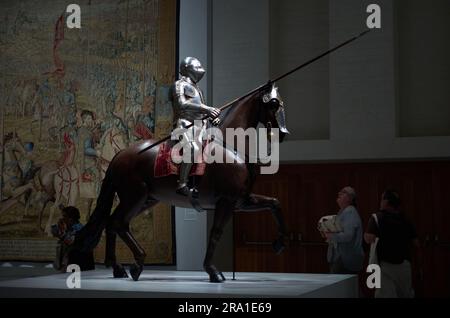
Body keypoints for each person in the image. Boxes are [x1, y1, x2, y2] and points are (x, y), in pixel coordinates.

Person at [171, 57, 220, 196]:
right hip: (184, 125)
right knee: (192, 148)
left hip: (200, 127)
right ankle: (182, 183)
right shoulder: (179, 85)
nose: (201, 69)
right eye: (197, 67)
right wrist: (207, 109)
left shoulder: (198, 89)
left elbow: (201, 113)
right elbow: (182, 104)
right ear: (187, 68)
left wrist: (212, 117)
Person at [364, 189, 421, 298]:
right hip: (404, 265)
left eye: (382, 199)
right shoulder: (405, 219)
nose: (380, 202)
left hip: (385, 265)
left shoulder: (377, 217)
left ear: (386, 202)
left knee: (385, 294)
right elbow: (416, 243)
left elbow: (368, 238)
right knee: (405, 294)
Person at [322, 186, 364, 274]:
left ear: (350, 198)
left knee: (340, 286)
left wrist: (331, 235)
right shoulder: (343, 211)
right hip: (342, 258)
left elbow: (348, 236)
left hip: (344, 260)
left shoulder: (350, 212)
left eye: (343, 192)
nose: (339, 194)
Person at [51, 206, 94, 272]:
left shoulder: (78, 229)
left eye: (64, 216)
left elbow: (70, 241)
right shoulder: (70, 228)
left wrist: (60, 234)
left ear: (70, 219)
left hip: (79, 265)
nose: (62, 219)